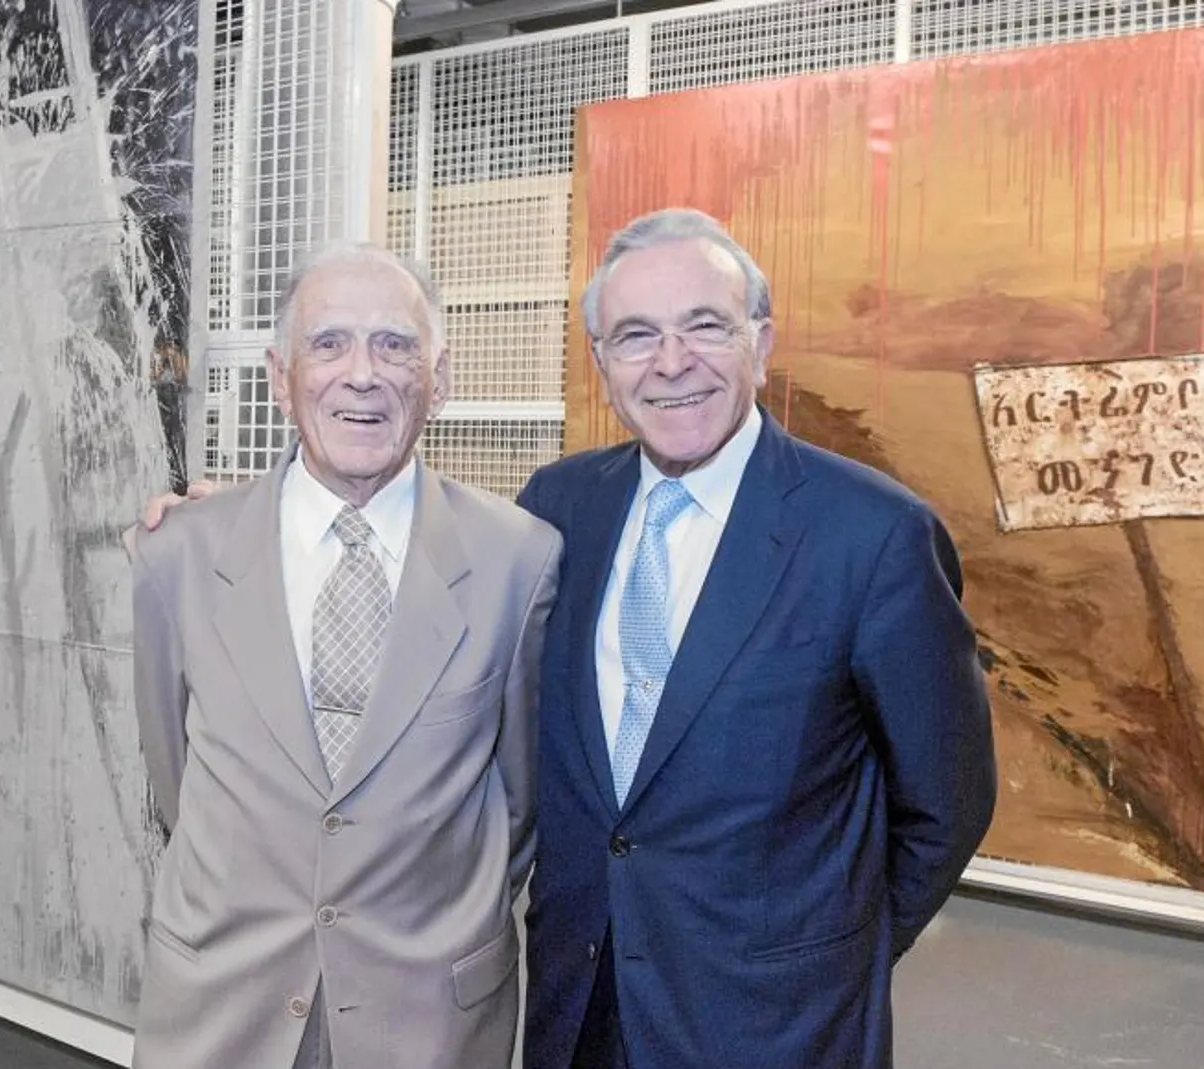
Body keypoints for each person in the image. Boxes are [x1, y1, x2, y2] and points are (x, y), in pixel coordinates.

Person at [141, 208, 997, 1068]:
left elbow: (946, 800)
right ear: (603, 363)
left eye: (705, 326)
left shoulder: (873, 536)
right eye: (635, 335)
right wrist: (228, 520)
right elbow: (183, 775)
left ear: (761, 342)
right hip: (577, 1003)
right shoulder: (561, 512)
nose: (671, 362)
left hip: (771, 1021)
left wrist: (828, 949)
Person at [123, 240, 562, 1069]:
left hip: (427, 1016)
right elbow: (174, 777)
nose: (362, 373)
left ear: (441, 377)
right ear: (279, 377)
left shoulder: (520, 559)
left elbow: (516, 805)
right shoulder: (178, 553)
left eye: (395, 345)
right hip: (223, 1004)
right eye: (327, 344)